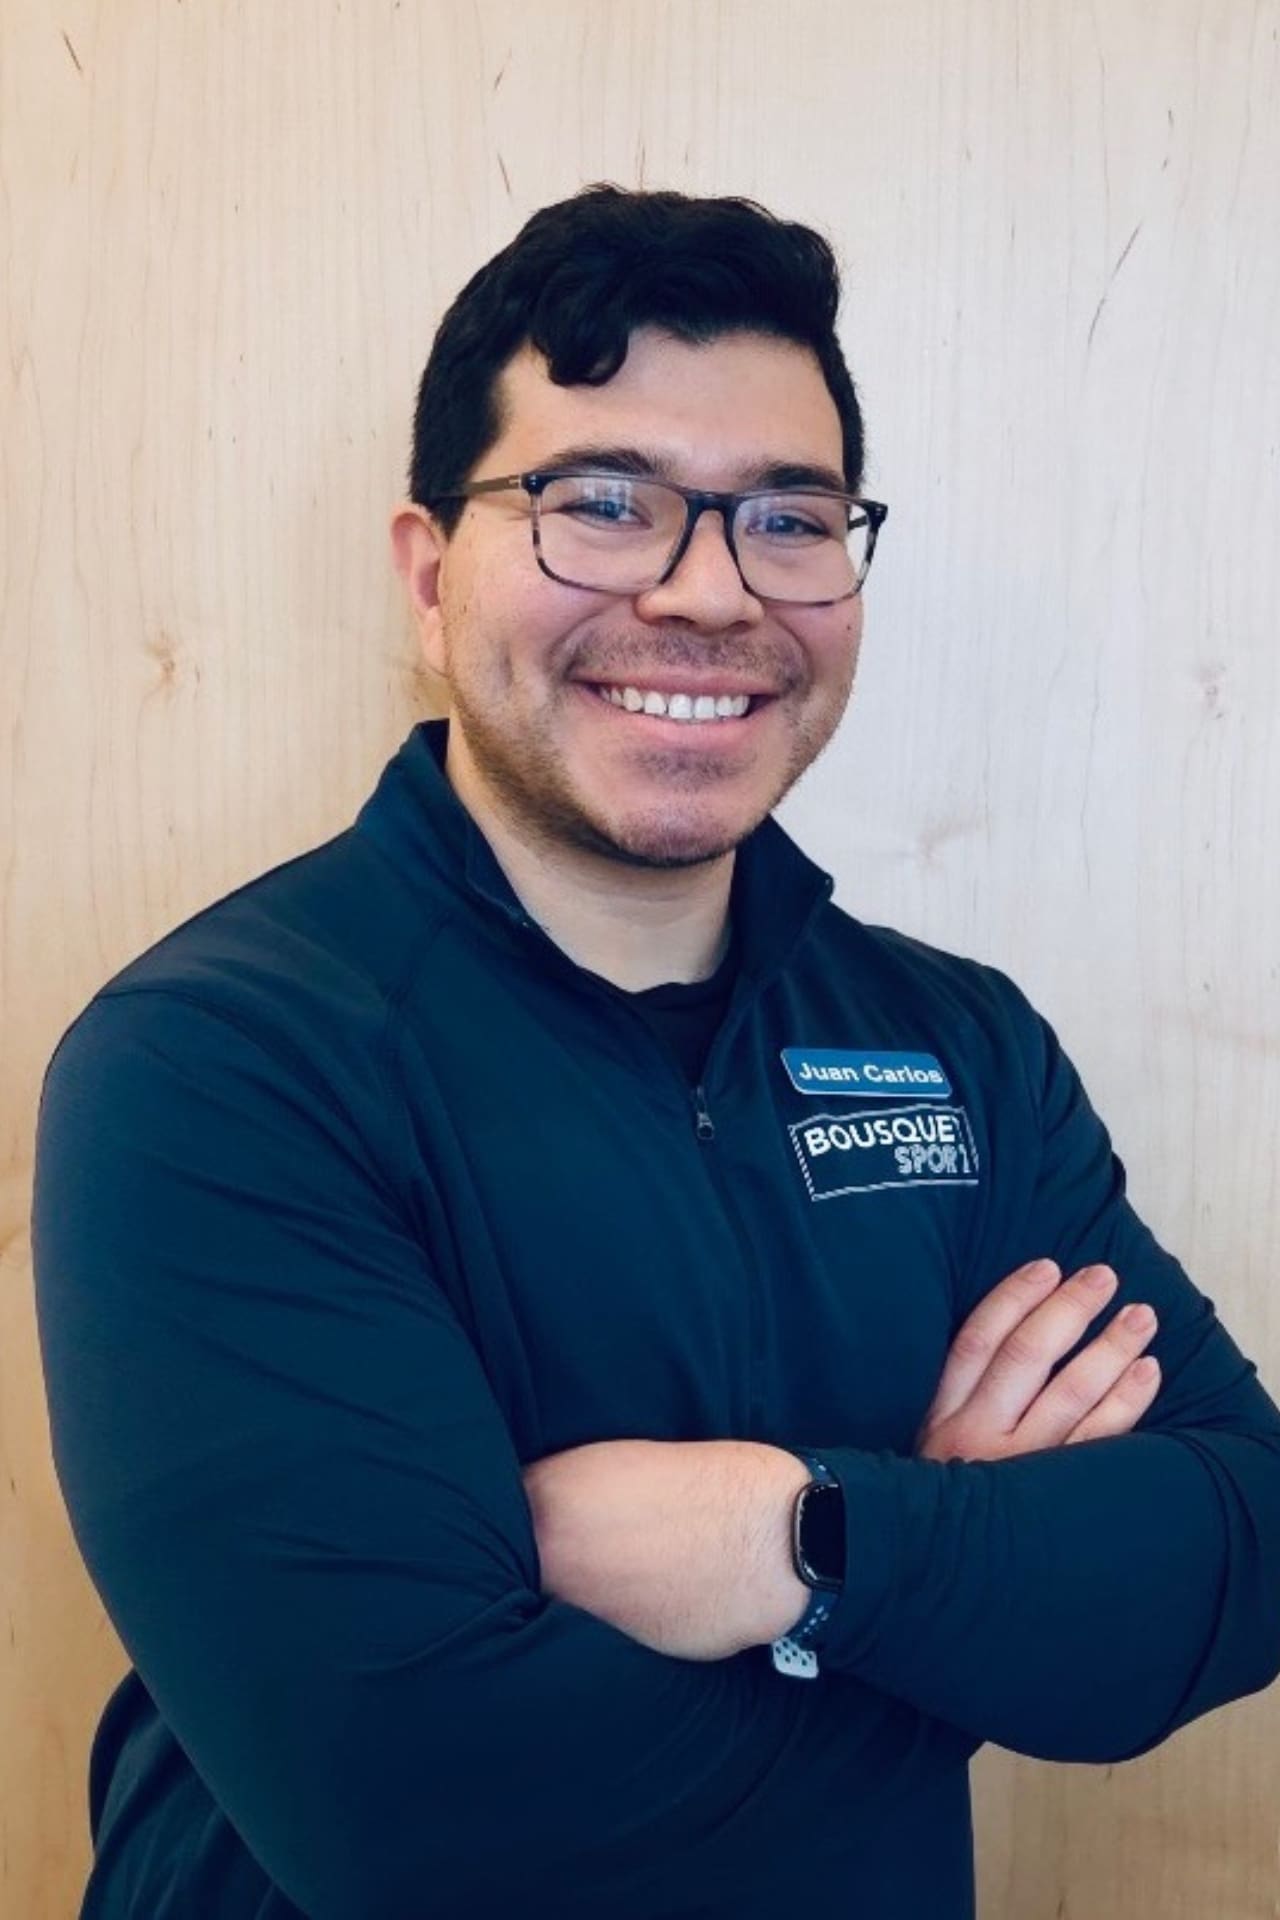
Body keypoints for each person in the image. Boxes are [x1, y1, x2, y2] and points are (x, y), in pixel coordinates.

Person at [30, 183, 1280, 1920]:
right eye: (601, 503)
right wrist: (967, 1584)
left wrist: (809, 1544)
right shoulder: (221, 1068)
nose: (708, 595)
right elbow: (421, 1822)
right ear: (427, 572)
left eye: (788, 517)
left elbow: (1240, 1551)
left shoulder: (959, 1048)